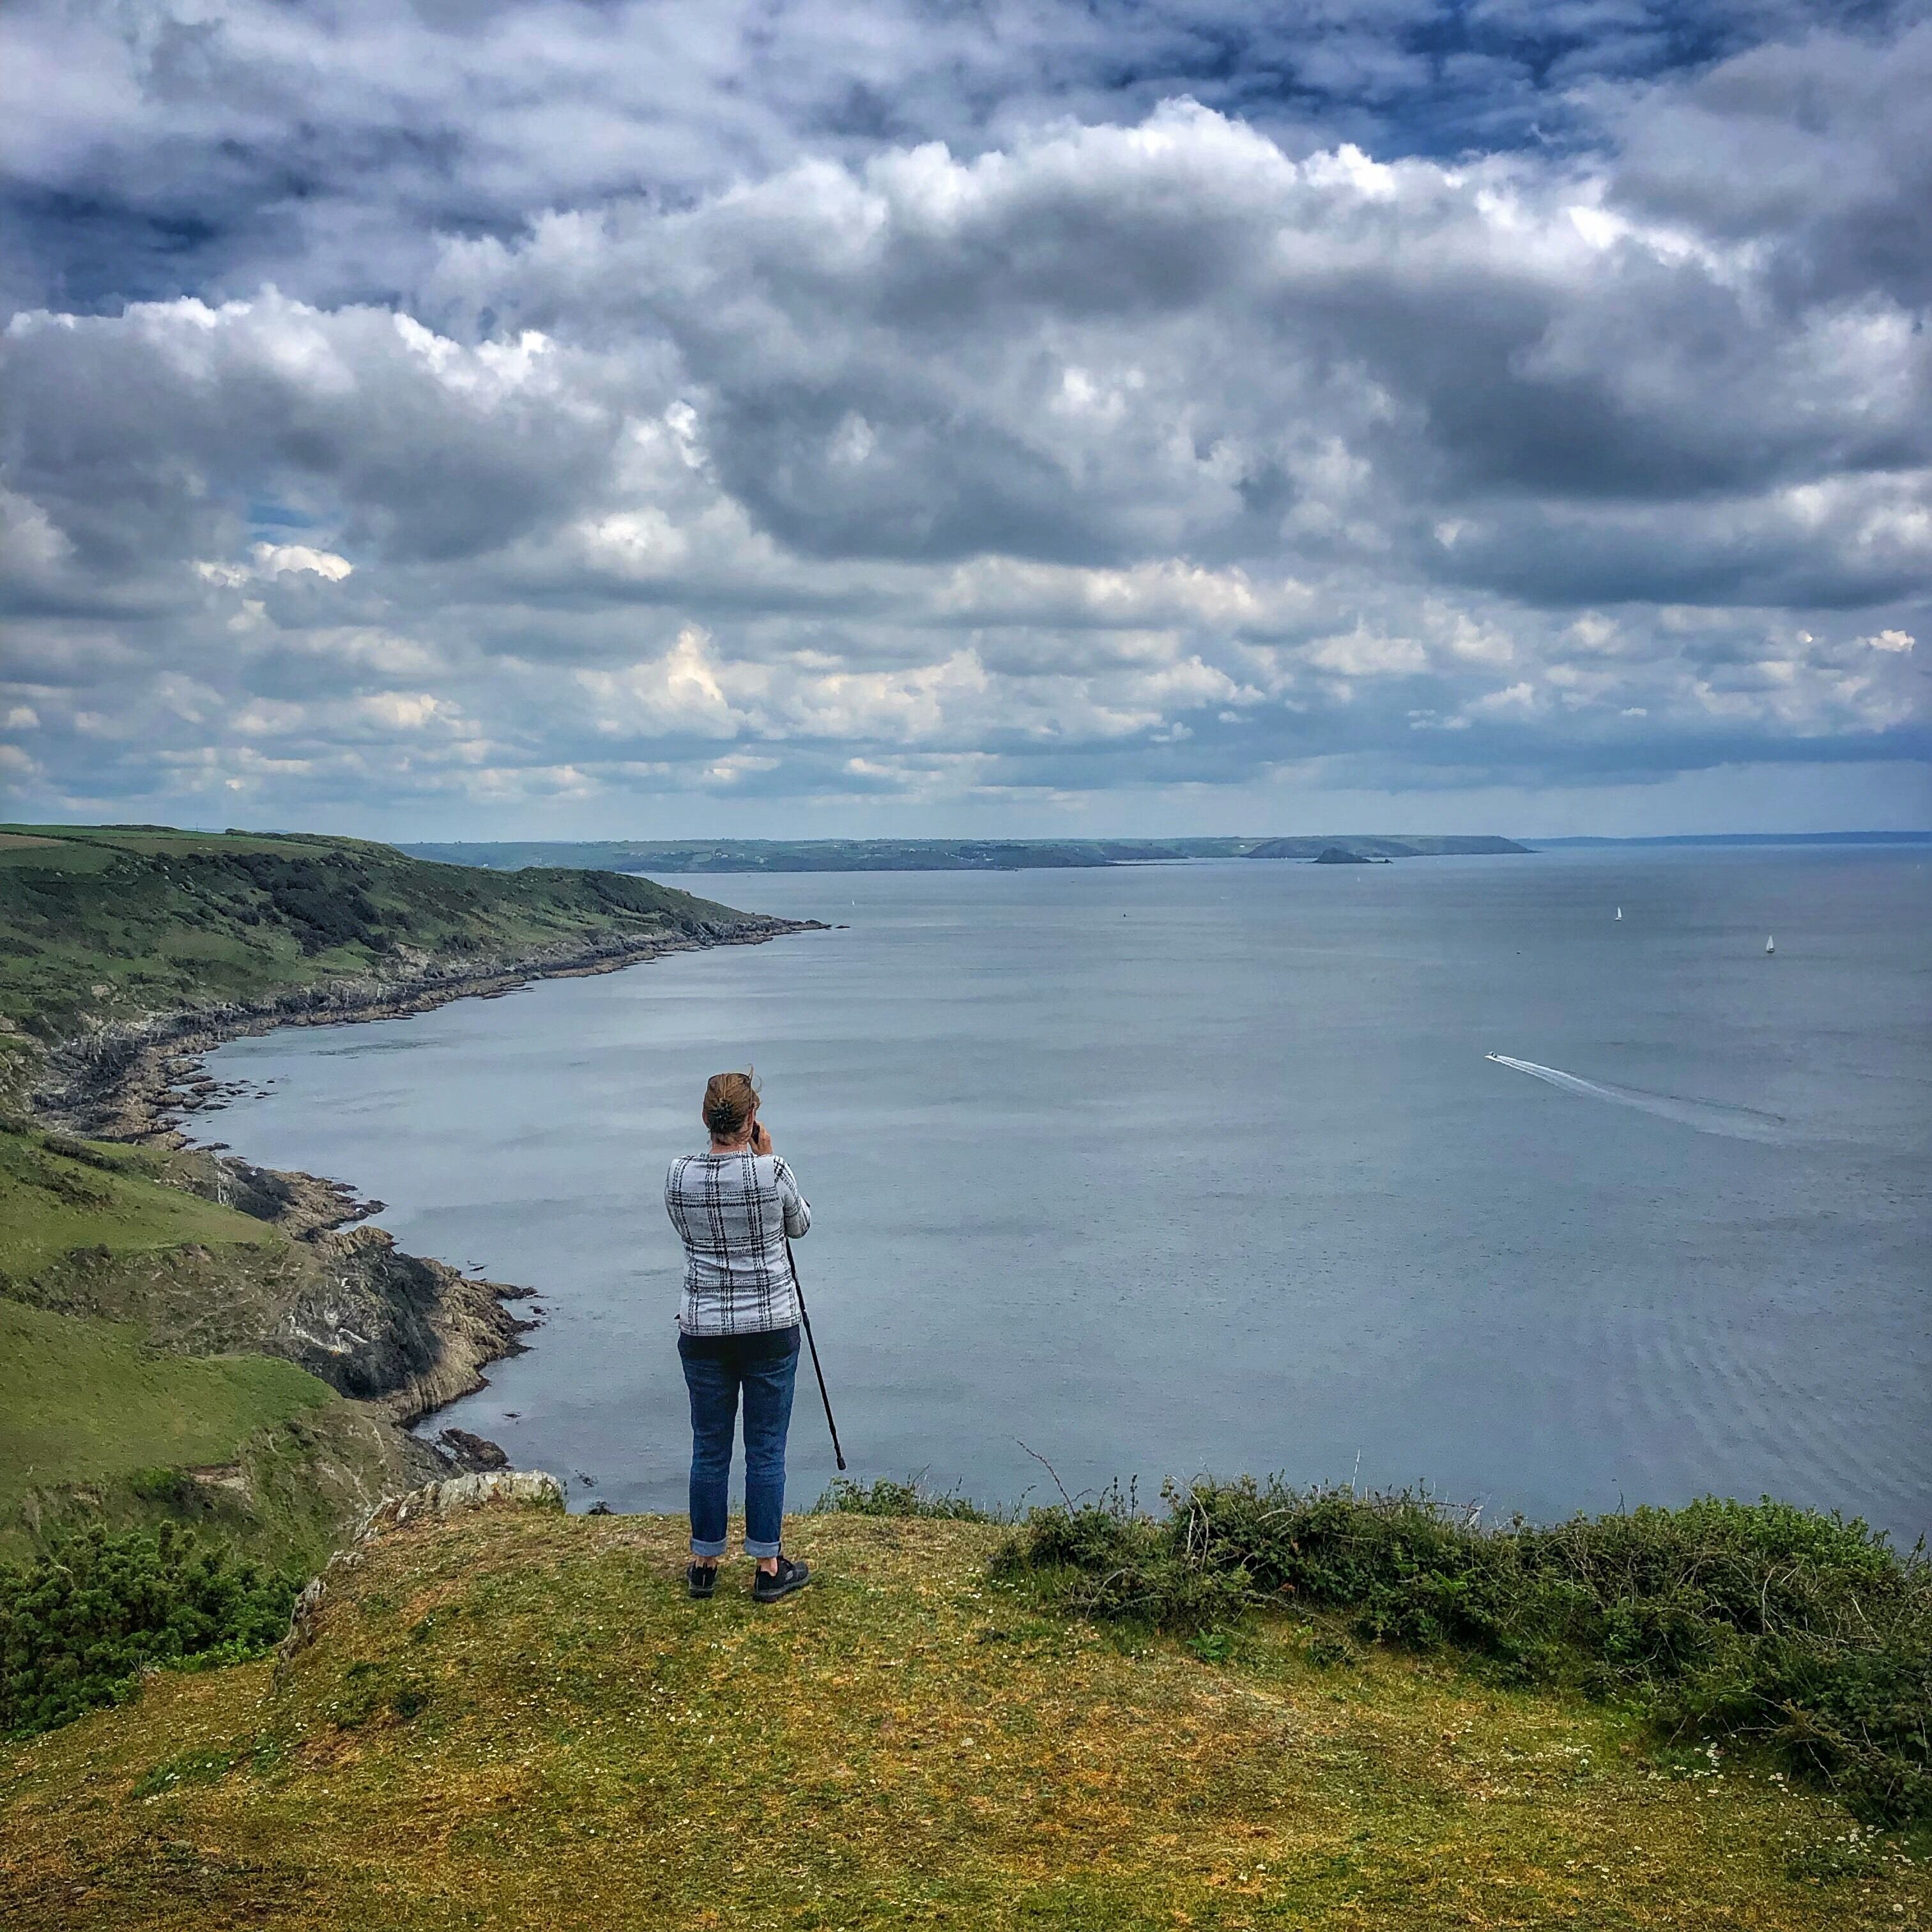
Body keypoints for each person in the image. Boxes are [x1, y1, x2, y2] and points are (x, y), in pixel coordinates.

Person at [664, 1070, 813, 1602]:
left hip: (704, 1326)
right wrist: (765, 1155)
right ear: (751, 1120)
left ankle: (705, 1561)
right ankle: (768, 1566)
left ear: (706, 1119)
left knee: (709, 1446)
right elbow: (801, 1226)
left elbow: (686, 1230)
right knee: (766, 1448)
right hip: (771, 1324)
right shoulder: (771, 1172)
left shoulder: (678, 1174)